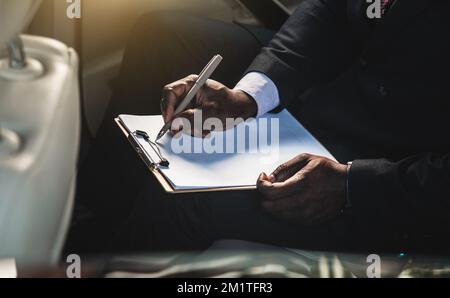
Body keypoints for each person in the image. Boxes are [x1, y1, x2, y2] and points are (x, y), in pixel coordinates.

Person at [70, 0, 450, 255]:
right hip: (335, 79)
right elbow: (331, 10)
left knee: (189, 196)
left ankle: (112, 261)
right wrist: (250, 96)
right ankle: (92, 219)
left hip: (399, 167)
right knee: (162, 36)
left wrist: (353, 185)